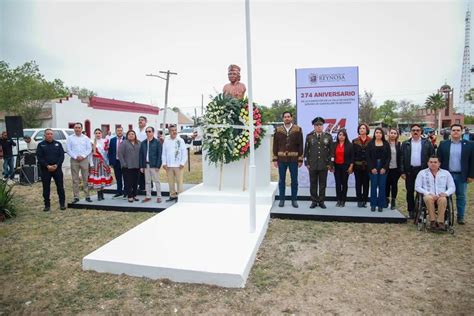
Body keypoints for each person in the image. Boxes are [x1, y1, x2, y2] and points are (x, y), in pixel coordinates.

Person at [437, 124, 474, 225]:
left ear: (462, 131)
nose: (456, 132)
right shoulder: (443, 144)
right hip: (446, 175)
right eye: (453, 130)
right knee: (444, 196)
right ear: (450, 132)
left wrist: (471, 175)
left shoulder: (470, 145)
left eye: (458, 130)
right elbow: (438, 159)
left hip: (461, 175)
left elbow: (472, 161)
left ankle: (460, 217)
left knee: (461, 196)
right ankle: (444, 215)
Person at [401, 123, 435, 219]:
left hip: (423, 171)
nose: (415, 132)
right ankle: (411, 211)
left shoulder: (427, 143)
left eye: (417, 130)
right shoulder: (405, 143)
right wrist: (403, 172)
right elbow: (402, 158)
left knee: (423, 192)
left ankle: (421, 211)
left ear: (421, 132)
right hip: (409, 171)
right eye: (413, 130)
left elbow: (432, 157)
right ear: (411, 132)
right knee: (410, 191)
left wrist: (431, 171)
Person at [415, 156, 456, 230]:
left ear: (439, 164)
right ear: (428, 163)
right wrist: (427, 193)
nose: (433, 164)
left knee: (443, 199)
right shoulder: (422, 173)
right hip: (428, 195)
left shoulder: (446, 173)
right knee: (428, 198)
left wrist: (446, 193)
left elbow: (452, 187)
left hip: (441, 195)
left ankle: (440, 222)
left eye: (435, 162)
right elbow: (417, 187)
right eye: (431, 162)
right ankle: (433, 221)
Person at [272, 111, 304, 208]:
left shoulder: (298, 129)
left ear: (291, 118)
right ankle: (282, 199)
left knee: (294, 180)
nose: (287, 118)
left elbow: (300, 145)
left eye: (288, 116)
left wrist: (300, 159)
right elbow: (275, 145)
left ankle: (294, 200)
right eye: (285, 117)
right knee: (282, 180)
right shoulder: (278, 130)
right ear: (283, 119)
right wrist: (275, 159)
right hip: (281, 159)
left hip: (293, 159)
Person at [304, 117, 333, 209]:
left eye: (320, 125)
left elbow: (331, 151)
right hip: (312, 164)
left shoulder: (328, 136)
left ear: (323, 126)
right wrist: (306, 163)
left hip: (324, 164)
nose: (318, 127)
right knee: (313, 183)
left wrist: (330, 164)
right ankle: (314, 201)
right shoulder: (309, 136)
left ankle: (321, 201)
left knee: (322, 184)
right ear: (314, 126)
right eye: (316, 125)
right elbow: (306, 151)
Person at [36, 129, 66, 212]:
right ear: (44, 135)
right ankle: (47, 205)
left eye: (51, 134)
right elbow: (39, 158)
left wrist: (56, 165)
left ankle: (62, 204)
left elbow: (61, 156)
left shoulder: (58, 144)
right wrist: (47, 166)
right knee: (46, 188)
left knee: (60, 187)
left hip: (57, 169)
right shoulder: (41, 145)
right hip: (46, 170)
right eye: (48, 134)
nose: (50, 135)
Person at [366, 127, 391, 212]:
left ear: (382, 134)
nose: (378, 134)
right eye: (376, 132)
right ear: (374, 134)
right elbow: (368, 157)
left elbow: (388, 157)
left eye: (380, 133)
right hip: (373, 167)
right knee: (373, 186)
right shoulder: (370, 143)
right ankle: (373, 204)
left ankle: (381, 205)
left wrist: (384, 168)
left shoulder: (386, 144)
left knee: (382, 186)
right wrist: (372, 168)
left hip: (383, 167)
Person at [66, 122, 92, 203]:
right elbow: (68, 149)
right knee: (75, 179)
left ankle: (87, 196)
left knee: (85, 179)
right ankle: (76, 197)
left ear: (81, 129)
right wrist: (75, 156)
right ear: (74, 129)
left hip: (84, 160)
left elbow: (89, 149)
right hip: (74, 160)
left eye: (79, 127)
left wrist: (83, 156)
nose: (77, 129)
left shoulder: (86, 138)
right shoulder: (70, 138)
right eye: (75, 127)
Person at [162, 124, 187, 202]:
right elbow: (164, 153)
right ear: (169, 131)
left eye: (175, 130)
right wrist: (164, 163)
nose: (174, 132)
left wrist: (182, 163)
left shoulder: (180, 140)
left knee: (179, 181)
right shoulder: (166, 140)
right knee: (170, 181)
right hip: (169, 165)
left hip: (178, 165)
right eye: (172, 130)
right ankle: (172, 195)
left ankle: (180, 196)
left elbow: (184, 152)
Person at [87, 128, 113, 201]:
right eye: (96, 133)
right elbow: (90, 154)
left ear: (101, 134)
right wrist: (91, 163)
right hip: (96, 162)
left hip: (103, 162)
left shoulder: (105, 141)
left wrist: (108, 162)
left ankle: (102, 193)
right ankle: (99, 194)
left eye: (99, 133)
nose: (98, 134)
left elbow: (106, 153)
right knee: (97, 178)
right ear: (94, 134)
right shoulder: (92, 142)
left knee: (102, 178)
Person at [139, 126, 163, 203]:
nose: (148, 133)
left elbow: (160, 155)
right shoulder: (143, 143)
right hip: (146, 165)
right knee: (147, 181)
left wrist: (158, 165)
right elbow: (141, 155)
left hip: (154, 165)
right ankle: (148, 196)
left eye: (149, 131)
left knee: (157, 181)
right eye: (146, 132)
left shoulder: (157, 142)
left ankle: (159, 196)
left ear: (153, 132)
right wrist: (141, 166)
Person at [331, 129, 353, 207]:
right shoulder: (334, 144)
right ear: (337, 136)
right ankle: (338, 200)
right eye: (340, 135)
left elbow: (352, 157)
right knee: (337, 183)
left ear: (345, 136)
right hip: (336, 166)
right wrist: (331, 166)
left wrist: (351, 167)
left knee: (344, 183)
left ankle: (343, 200)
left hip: (345, 166)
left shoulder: (350, 145)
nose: (341, 136)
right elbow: (331, 156)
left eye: (343, 135)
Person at [118, 130, 141, 203]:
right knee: (128, 182)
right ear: (127, 135)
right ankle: (130, 196)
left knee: (135, 182)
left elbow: (142, 154)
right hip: (127, 166)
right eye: (129, 134)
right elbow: (120, 154)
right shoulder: (124, 143)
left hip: (137, 166)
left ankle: (135, 195)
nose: (131, 135)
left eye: (133, 134)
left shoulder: (139, 143)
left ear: (135, 135)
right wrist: (123, 164)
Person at [352, 123, 371, 207]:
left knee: (366, 183)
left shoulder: (371, 140)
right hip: (357, 166)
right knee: (358, 183)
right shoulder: (355, 141)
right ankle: (359, 200)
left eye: (363, 128)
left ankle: (365, 200)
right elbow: (352, 155)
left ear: (366, 130)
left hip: (367, 166)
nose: (362, 130)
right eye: (360, 128)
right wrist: (352, 165)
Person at [385, 128, 402, 210]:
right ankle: (386, 199)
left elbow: (401, 157)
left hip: (396, 169)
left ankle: (393, 201)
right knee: (387, 184)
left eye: (395, 133)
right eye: (391, 133)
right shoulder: (385, 144)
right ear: (389, 134)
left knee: (394, 185)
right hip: (387, 168)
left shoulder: (399, 144)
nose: (393, 134)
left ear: (397, 135)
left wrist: (401, 170)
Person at [108, 126, 126, 198]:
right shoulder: (112, 140)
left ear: (122, 131)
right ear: (116, 132)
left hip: (124, 162)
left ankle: (126, 192)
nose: (119, 132)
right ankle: (119, 192)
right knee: (118, 177)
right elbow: (110, 152)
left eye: (121, 130)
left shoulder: (126, 139)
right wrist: (111, 162)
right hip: (116, 162)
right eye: (118, 130)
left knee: (125, 177)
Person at [136, 116, 148, 191]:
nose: (140, 121)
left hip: (145, 150)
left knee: (146, 168)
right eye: (139, 120)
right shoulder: (135, 129)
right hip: (136, 151)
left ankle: (148, 185)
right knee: (138, 169)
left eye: (142, 120)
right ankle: (140, 185)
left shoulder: (148, 129)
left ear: (146, 121)